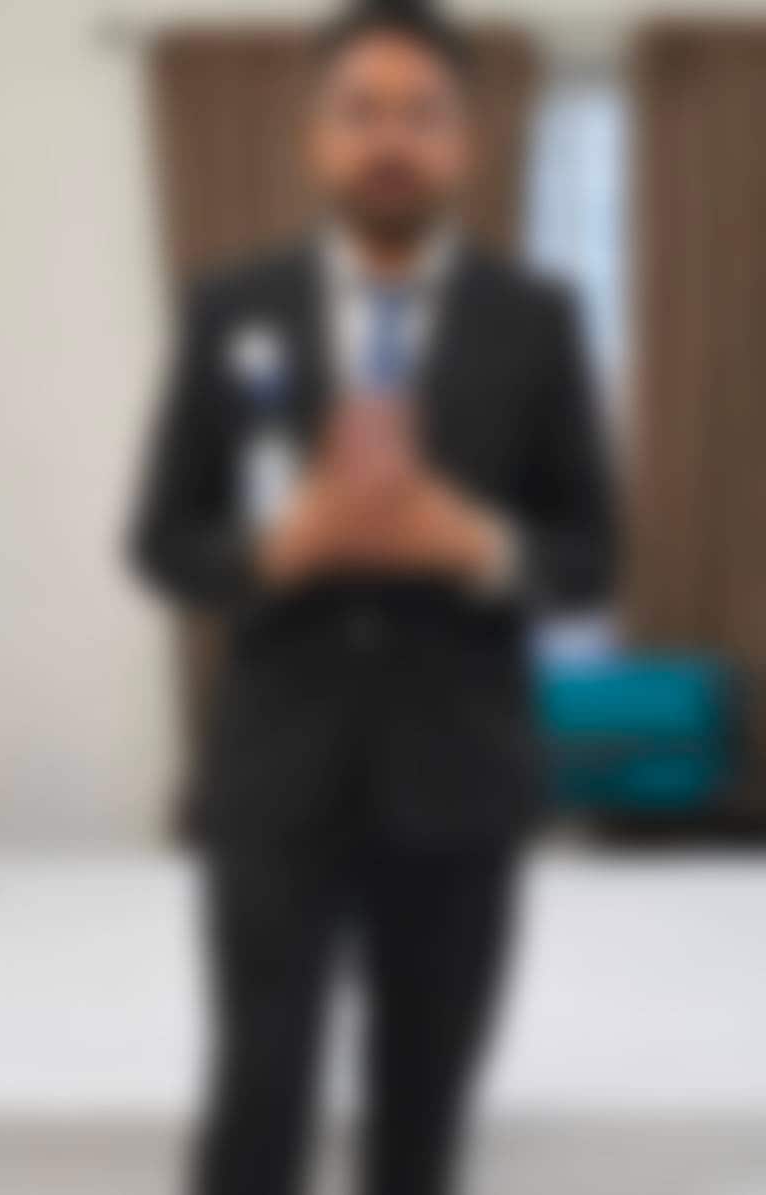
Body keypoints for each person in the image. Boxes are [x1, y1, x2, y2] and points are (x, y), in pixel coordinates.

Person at [130, 4, 613, 1193]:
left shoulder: (536, 319)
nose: (389, 139)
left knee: (421, 1117)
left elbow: (591, 557)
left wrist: (470, 539)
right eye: (359, 111)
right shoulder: (229, 306)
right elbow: (161, 542)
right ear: (312, 136)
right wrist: (278, 548)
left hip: (460, 782)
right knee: (255, 1109)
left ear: (465, 141)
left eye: (420, 113)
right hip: (273, 785)